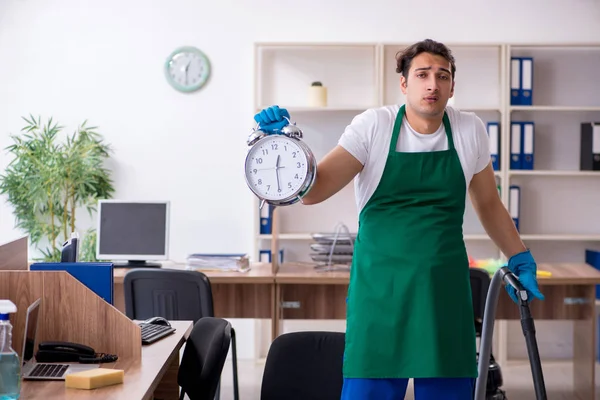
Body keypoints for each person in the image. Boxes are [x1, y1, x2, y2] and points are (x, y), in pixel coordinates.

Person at [253, 38, 544, 400]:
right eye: (422, 74)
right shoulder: (373, 126)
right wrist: (282, 147)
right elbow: (314, 191)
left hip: (443, 291)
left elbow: (489, 204)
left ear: (452, 86)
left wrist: (520, 256)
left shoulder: (470, 130)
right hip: (380, 291)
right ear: (404, 83)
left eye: (443, 76)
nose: (433, 84)